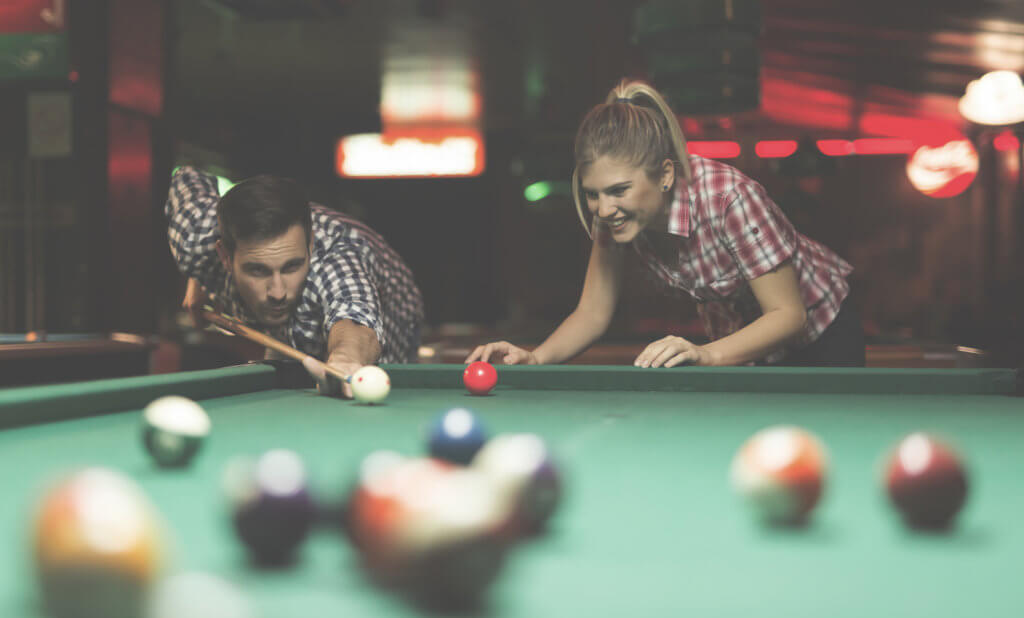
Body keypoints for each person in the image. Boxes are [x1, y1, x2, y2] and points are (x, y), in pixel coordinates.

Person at [467, 80, 863, 368]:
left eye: (619, 190)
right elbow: (592, 313)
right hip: (743, 346)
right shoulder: (615, 217)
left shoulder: (730, 199)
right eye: (593, 193)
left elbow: (788, 315)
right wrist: (535, 358)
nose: (603, 209)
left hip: (823, 332)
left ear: (666, 176)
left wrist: (706, 354)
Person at [166, 166, 425, 395]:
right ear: (224, 255)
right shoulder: (194, 236)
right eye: (258, 271)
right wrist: (197, 274)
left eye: (291, 266)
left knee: (358, 384)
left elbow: (355, 314)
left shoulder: (337, 256)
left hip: (394, 304)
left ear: (310, 244)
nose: (278, 292)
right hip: (290, 316)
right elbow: (186, 176)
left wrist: (346, 358)